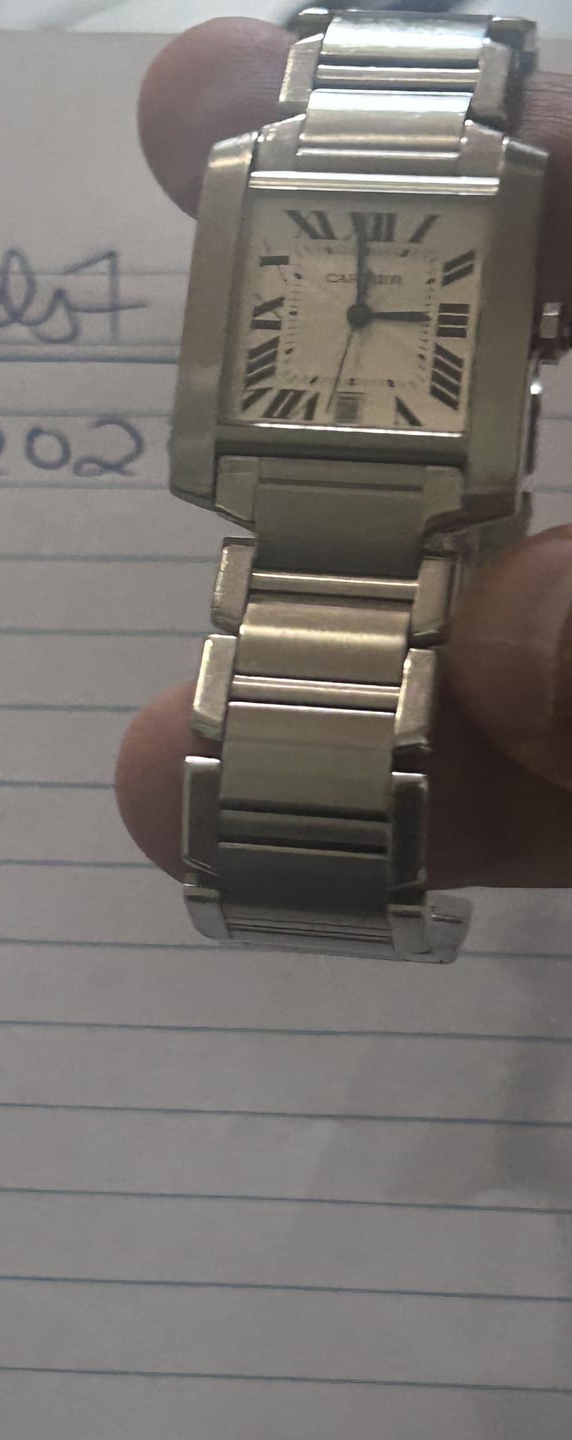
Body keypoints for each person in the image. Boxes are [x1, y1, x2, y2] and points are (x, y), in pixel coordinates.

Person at [115, 16, 572, 893]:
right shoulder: (259, 178)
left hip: (314, 476)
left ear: (539, 334)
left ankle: (330, 881)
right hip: (303, 471)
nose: (361, 314)